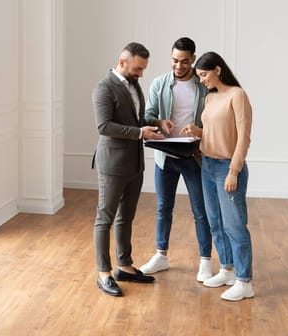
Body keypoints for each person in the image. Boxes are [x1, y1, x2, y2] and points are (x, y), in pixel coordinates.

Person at [139, 37, 215, 282]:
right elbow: (148, 114)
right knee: (163, 208)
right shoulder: (160, 84)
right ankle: (161, 255)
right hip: (165, 156)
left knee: (200, 210)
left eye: (184, 61)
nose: (179, 66)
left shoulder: (204, 87)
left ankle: (205, 261)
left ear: (193, 59)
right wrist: (159, 122)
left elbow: (215, 121)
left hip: (193, 156)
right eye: (174, 60)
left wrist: (203, 138)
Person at [92, 42, 164, 296]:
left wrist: (155, 123)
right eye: (137, 68)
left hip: (134, 163)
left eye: (143, 69)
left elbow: (135, 120)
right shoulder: (104, 88)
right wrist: (139, 133)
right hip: (112, 164)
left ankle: (124, 266)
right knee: (105, 218)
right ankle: (104, 273)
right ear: (122, 62)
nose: (141, 74)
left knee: (126, 217)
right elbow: (104, 126)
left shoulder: (134, 85)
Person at [182, 51, 254, 301]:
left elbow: (243, 138)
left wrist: (234, 171)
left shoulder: (238, 95)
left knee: (234, 225)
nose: (201, 80)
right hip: (207, 165)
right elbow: (215, 132)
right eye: (199, 76)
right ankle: (227, 269)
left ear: (218, 70)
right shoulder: (211, 98)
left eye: (204, 74)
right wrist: (198, 132)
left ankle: (245, 281)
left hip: (227, 167)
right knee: (215, 222)